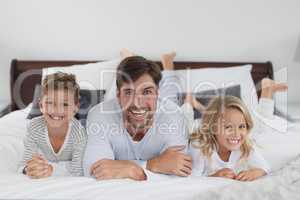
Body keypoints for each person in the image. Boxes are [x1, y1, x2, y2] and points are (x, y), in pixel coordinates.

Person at [83, 52, 191, 181]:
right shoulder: (99, 114)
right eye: (128, 92)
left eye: (147, 92)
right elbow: (94, 170)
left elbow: (179, 169)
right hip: (114, 108)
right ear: (118, 95)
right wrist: (153, 165)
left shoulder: (175, 116)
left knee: (172, 97)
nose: (137, 103)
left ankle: (167, 65)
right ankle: (127, 59)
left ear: (157, 93)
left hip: (167, 110)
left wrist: (125, 168)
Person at [19, 72, 87, 178]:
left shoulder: (79, 133)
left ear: (76, 107)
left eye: (64, 104)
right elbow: (24, 164)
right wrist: (30, 168)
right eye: (50, 103)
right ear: (41, 105)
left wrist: (52, 170)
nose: (57, 110)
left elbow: (78, 170)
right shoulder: (34, 127)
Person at [189, 96, 271, 181]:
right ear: (213, 128)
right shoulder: (199, 146)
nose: (236, 134)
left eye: (241, 126)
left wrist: (254, 173)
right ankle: (189, 102)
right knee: (188, 120)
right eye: (228, 127)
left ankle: (196, 104)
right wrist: (213, 177)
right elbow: (192, 179)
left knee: (262, 129)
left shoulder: (244, 146)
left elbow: (265, 167)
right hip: (193, 128)